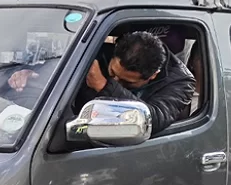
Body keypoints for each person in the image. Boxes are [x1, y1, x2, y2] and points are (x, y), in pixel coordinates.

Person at [13, 31, 195, 137]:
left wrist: (104, 86)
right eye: (112, 73)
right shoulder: (98, 56)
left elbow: (153, 119)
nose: (116, 80)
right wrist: (33, 76)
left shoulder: (181, 82)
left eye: (126, 81)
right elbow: (62, 78)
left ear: (153, 75)